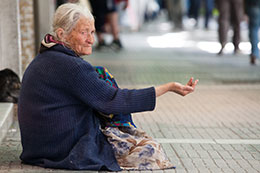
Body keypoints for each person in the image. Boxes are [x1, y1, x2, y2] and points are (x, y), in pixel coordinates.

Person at [18, 3, 198, 171]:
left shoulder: (48, 55)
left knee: (100, 75)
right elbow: (114, 100)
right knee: (151, 150)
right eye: (84, 33)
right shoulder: (72, 67)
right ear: (62, 34)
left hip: (39, 146)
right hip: (60, 148)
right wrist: (167, 88)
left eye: (92, 32)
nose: (91, 40)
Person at [244, 0, 260, 65]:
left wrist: (245, 11)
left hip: (253, 6)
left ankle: (255, 52)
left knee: (253, 30)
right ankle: (255, 53)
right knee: (254, 29)